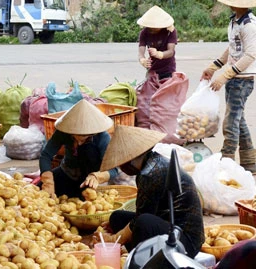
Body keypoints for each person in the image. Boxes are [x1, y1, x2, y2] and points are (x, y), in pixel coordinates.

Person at [92, 125, 204, 259]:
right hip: (168, 224)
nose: (122, 168)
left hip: (185, 241)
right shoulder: (151, 163)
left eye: (123, 163)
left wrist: (115, 239)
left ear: (132, 159)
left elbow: (141, 218)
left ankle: (143, 258)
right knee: (117, 217)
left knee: (142, 222)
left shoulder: (150, 173)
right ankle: (138, 252)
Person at [201, 0, 256, 173]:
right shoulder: (235, 20)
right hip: (234, 77)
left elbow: (250, 54)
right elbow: (232, 47)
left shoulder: (249, 25)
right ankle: (250, 162)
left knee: (230, 122)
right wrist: (214, 66)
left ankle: (226, 163)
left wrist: (224, 75)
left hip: (243, 79)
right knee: (238, 120)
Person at [39, 99, 119, 198]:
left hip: (89, 182)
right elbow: (46, 155)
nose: (79, 142)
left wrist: (97, 176)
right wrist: (48, 182)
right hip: (67, 173)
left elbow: (114, 170)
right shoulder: (63, 131)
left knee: (83, 202)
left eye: (84, 137)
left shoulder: (102, 137)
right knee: (38, 192)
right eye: (77, 136)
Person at [137, 5, 177, 80]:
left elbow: (171, 52)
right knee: (150, 89)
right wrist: (142, 60)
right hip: (153, 69)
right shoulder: (144, 33)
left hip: (168, 69)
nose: (152, 28)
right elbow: (141, 53)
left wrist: (159, 54)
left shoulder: (170, 31)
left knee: (166, 90)